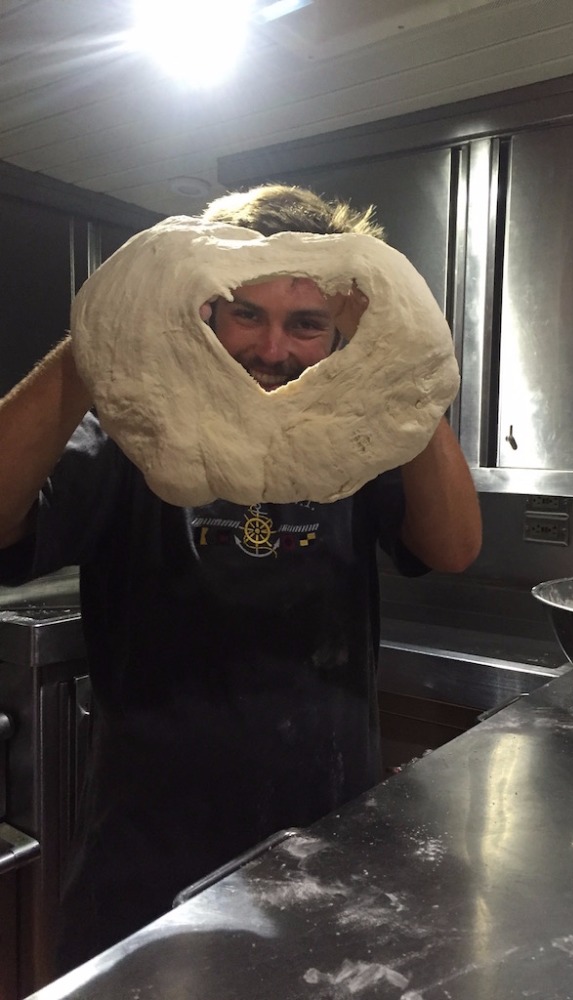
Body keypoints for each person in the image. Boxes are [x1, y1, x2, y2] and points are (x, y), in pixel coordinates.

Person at [0, 184, 482, 974]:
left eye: (307, 323)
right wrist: (97, 341)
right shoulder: (136, 423)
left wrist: (402, 369)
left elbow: (455, 547)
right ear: (207, 311)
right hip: (148, 853)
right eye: (247, 314)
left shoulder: (355, 434)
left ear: (339, 332)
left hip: (326, 834)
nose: (273, 349)